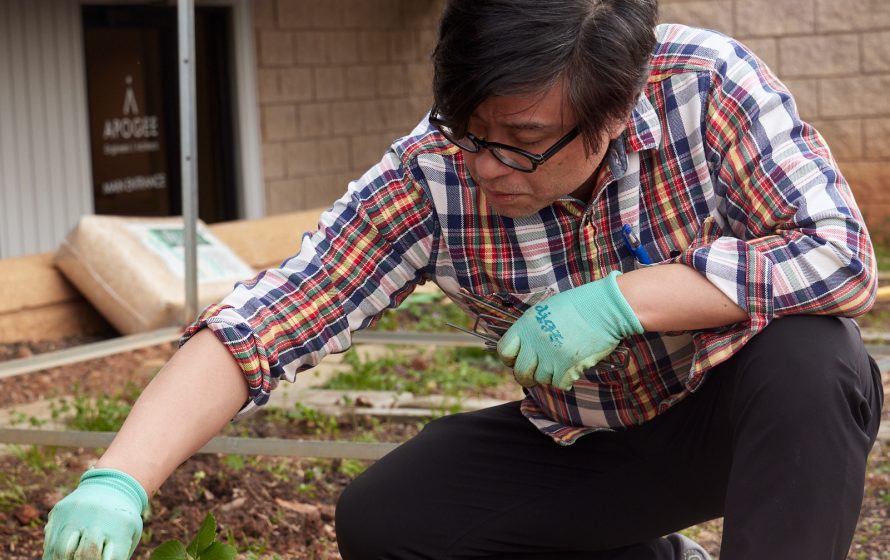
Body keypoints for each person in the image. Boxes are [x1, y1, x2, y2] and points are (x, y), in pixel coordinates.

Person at [43, 0, 884, 558]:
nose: (482, 165)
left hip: (740, 419)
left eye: (518, 140)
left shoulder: (706, 88)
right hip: (590, 440)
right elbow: (273, 315)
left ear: (617, 111)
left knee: (815, 357)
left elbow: (842, 255)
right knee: (389, 519)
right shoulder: (432, 172)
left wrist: (628, 300)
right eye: (466, 128)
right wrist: (118, 479)